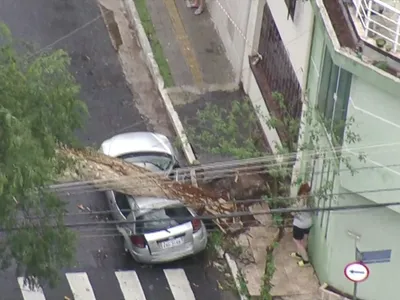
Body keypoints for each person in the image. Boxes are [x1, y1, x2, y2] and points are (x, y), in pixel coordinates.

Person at [290, 183, 313, 267]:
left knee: (297, 241)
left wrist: (293, 210)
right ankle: (299, 254)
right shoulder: (311, 199)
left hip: (300, 224)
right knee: (304, 239)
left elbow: (294, 212)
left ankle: (306, 260)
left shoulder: (302, 200)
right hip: (308, 222)